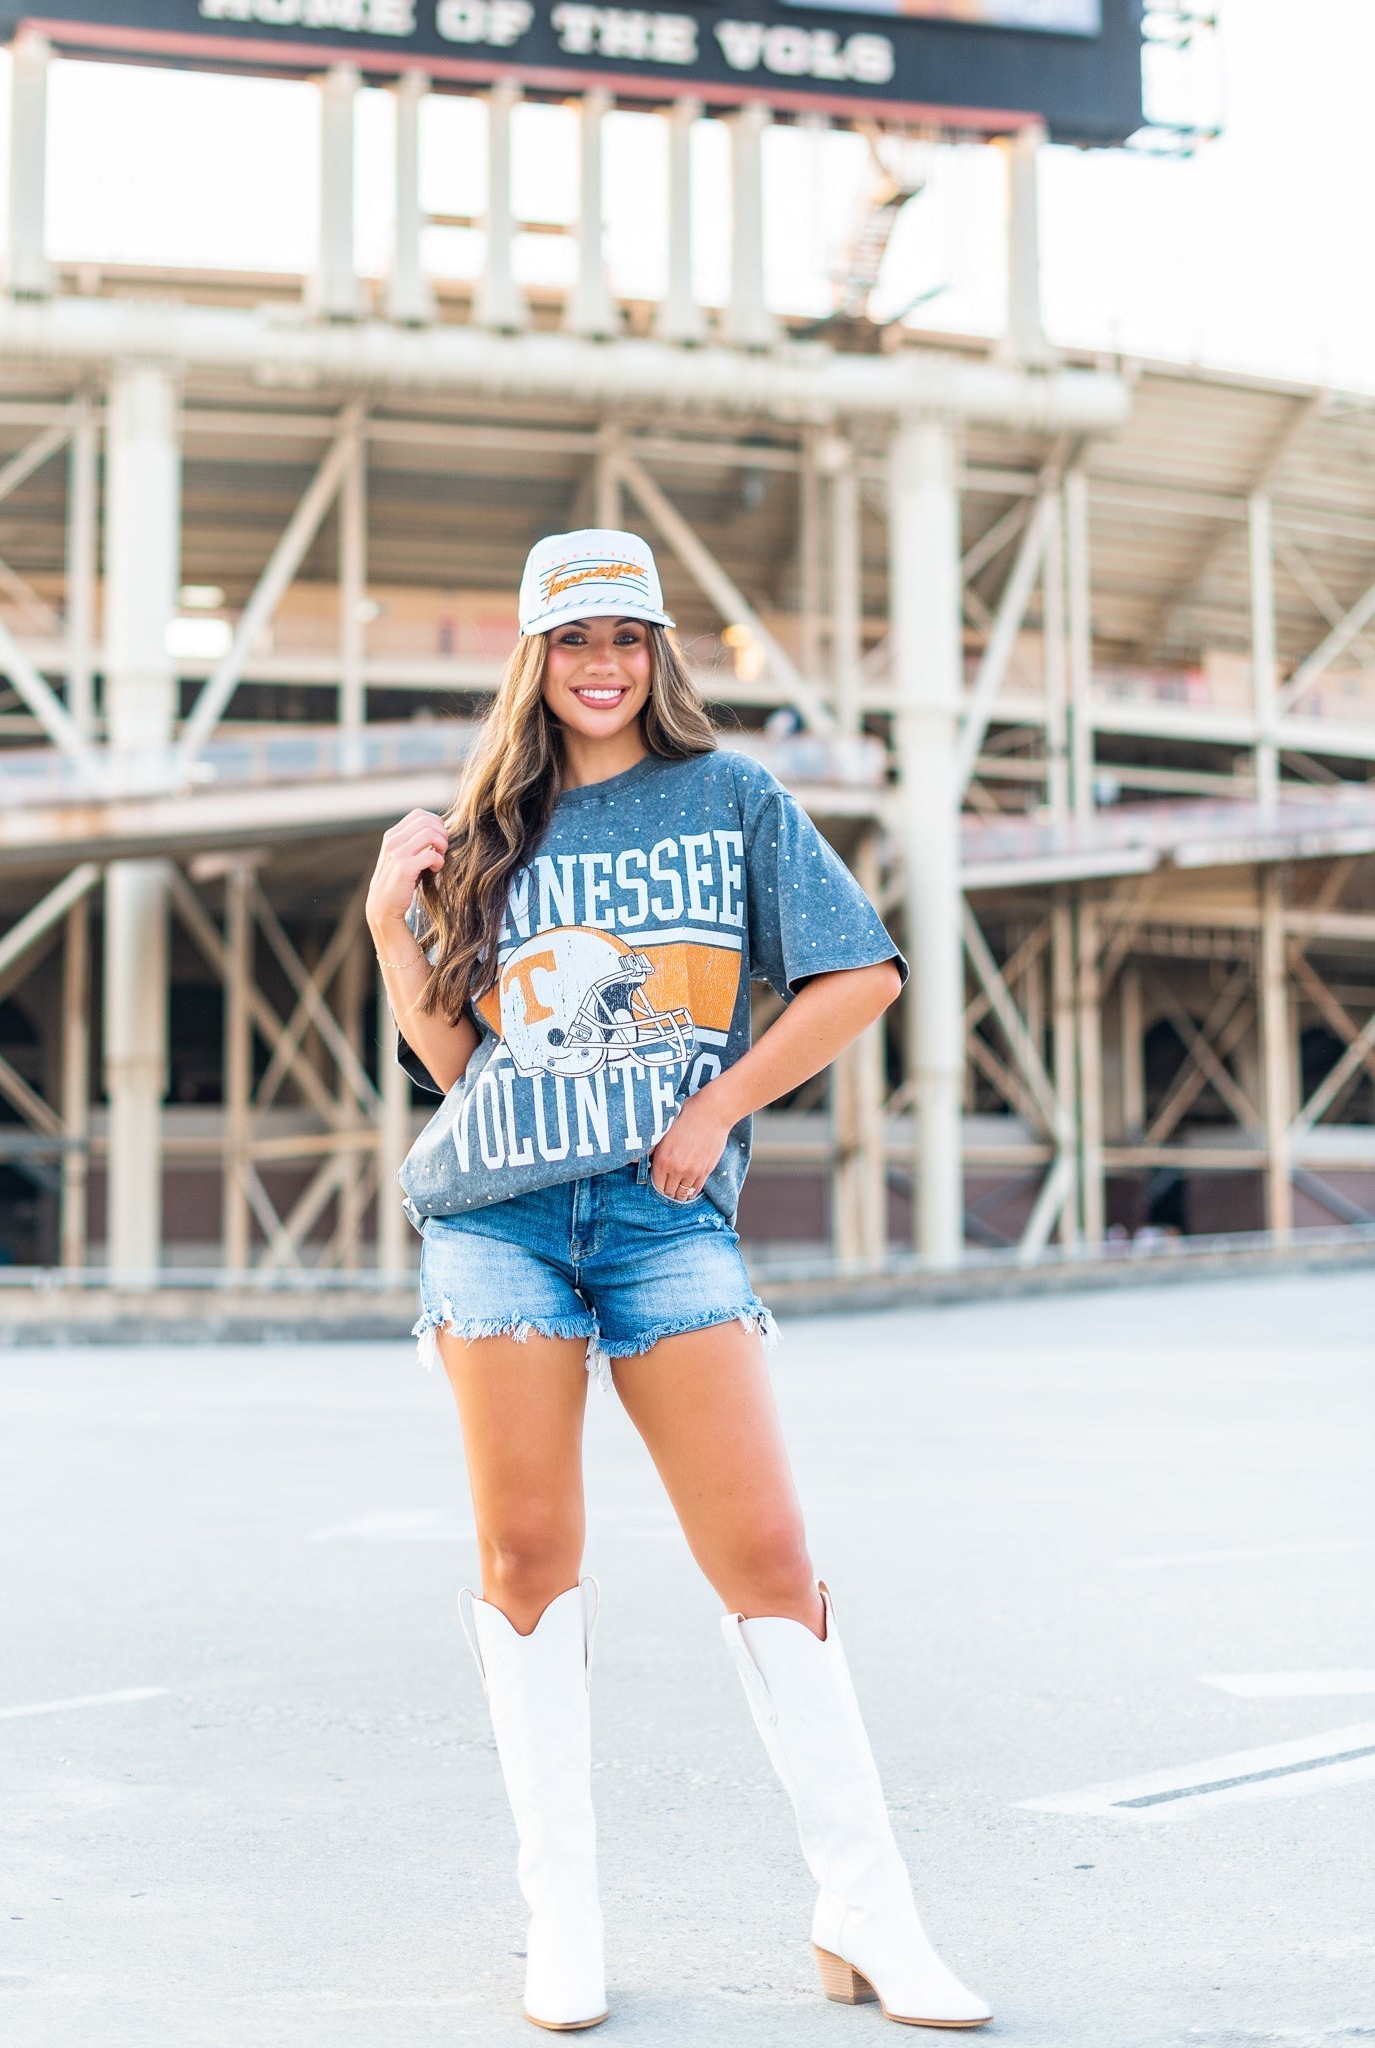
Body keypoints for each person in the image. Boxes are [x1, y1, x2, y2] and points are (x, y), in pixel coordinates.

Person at [366, 529, 991, 2034]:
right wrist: (395, 927)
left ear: (657, 652)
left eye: (626, 640)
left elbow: (862, 976)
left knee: (767, 1555)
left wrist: (713, 1109)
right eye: (574, 643)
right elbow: (464, 1067)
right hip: (498, 1221)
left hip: (663, 1223)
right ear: (537, 657)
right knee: (528, 1558)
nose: (601, 667)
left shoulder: (732, 802)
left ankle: (869, 1912)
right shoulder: (491, 828)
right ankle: (561, 1923)